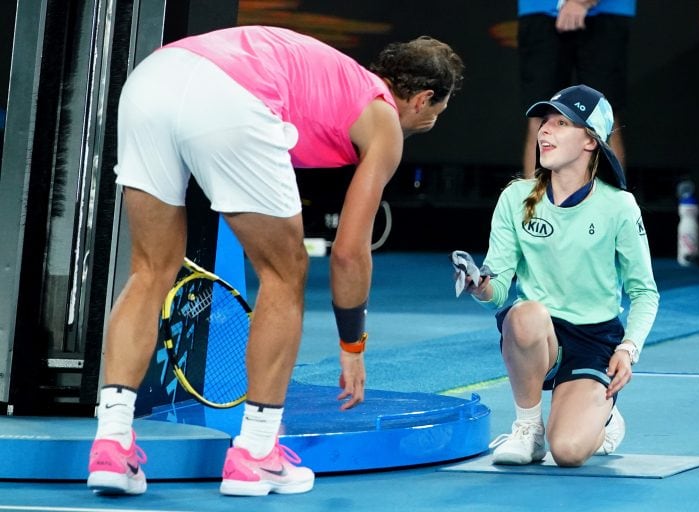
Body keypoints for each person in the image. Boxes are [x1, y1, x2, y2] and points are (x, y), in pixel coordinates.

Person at [86, 25, 464, 496]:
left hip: (152, 80)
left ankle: (111, 443)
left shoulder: (333, 82)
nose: (433, 122)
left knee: (150, 270)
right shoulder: (385, 120)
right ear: (423, 99)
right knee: (284, 273)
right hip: (228, 95)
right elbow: (348, 252)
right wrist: (352, 347)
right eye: (439, 112)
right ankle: (257, 452)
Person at [459, 84, 658, 467]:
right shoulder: (515, 197)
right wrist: (480, 285)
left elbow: (644, 292)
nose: (545, 130)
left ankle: (603, 415)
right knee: (524, 313)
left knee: (567, 452)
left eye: (562, 122)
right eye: (545, 121)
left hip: (594, 339)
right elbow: (500, 290)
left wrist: (628, 349)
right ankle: (528, 429)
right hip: (540, 334)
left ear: (590, 142)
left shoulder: (618, 205)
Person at [518, 0, 635, 178]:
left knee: (604, 117)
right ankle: (534, 204)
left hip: (606, 10)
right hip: (540, 8)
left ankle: (611, 206)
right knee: (540, 115)